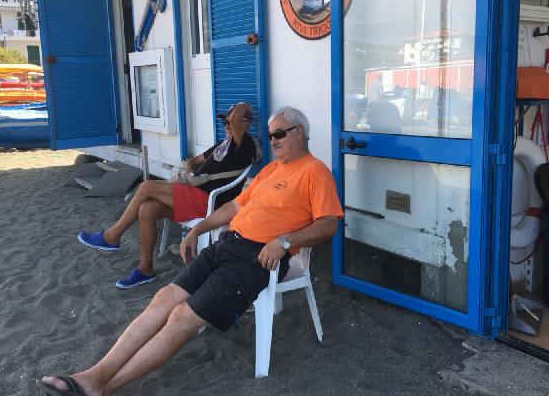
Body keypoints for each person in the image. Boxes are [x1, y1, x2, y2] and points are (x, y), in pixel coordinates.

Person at [40, 106, 343, 396]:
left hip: (258, 257)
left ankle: (103, 386)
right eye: (270, 135)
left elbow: (329, 224)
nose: (272, 141)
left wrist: (285, 241)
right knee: (163, 299)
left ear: (298, 132)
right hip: (229, 244)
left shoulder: (315, 172)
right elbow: (235, 206)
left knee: (181, 317)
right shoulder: (270, 171)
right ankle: (94, 374)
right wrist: (198, 230)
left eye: (278, 134)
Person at [77, 102, 258, 289]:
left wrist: (241, 107)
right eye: (224, 122)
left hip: (209, 201)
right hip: (193, 194)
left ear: (245, 124)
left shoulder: (246, 145)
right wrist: (190, 171)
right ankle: (145, 269)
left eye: (230, 122)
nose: (227, 126)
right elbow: (194, 160)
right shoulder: (222, 145)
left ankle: (111, 236)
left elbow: (237, 119)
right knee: (147, 209)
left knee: (146, 186)